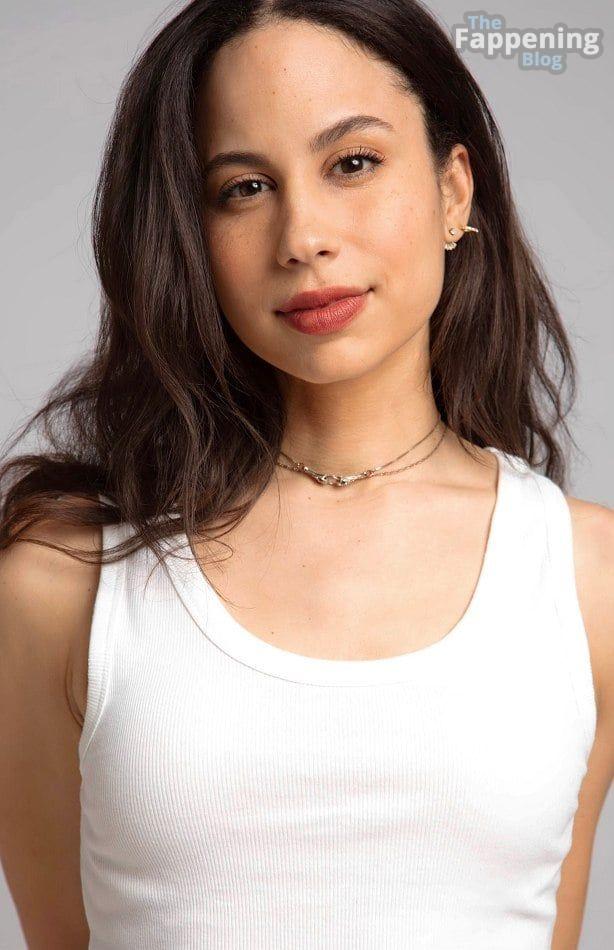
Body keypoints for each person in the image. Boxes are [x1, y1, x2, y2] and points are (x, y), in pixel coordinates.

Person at [0, 1, 612, 948]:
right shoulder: (62, 583)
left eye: (353, 163)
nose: (304, 236)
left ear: (455, 191)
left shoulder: (588, 580)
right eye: (243, 188)